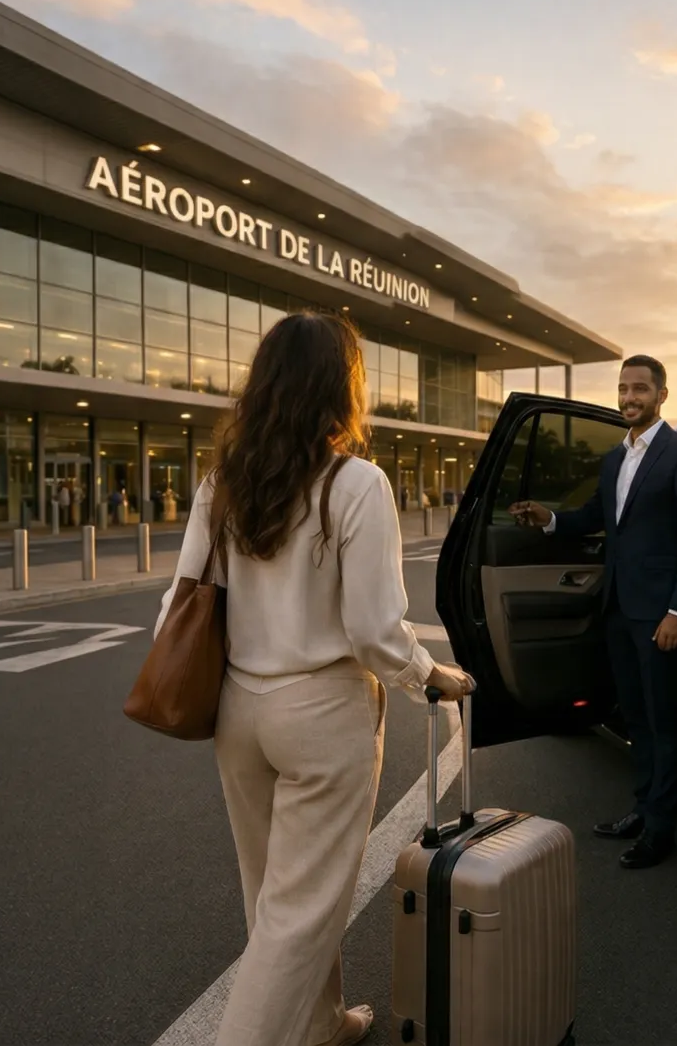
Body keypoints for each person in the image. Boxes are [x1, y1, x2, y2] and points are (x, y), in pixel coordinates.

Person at [155, 311, 474, 1046]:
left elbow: (177, 605)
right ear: (342, 387)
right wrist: (427, 675)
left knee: (273, 894)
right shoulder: (355, 484)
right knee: (300, 910)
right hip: (322, 712)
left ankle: (321, 1023)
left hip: (238, 710)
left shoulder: (221, 484)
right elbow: (371, 629)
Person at [509, 355, 677, 869]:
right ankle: (643, 809)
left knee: (664, 722)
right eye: (623, 388)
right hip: (619, 610)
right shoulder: (614, 459)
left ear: (662, 395)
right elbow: (597, 517)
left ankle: (662, 829)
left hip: (660, 616)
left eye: (640, 389)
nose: (629, 398)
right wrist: (551, 519)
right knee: (636, 719)